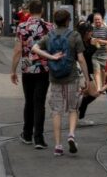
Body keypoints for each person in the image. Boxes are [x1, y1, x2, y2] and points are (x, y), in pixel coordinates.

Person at [32, 9, 90, 156]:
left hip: (55, 78)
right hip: (71, 77)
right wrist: (87, 78)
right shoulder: (75, 35)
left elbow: (34, 48)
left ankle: (58, 145)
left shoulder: (49, 35)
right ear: (67, 21)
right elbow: (81, 59)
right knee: (73, 109)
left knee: (56, 111)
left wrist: (50, 58)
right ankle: (71, 134)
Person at [10, 0, 52, 150]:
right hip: (44, 67)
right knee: (39, 102)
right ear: (42, 11)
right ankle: (39, 138)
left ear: (28, 10)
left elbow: (18, 51)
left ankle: (27, 134)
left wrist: (13, 71)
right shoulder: (49, 27)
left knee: (29, 101)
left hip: (27, 66)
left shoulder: (21, 26)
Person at [90, 12, 107, 92]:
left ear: (102, 20)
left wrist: (101, 41)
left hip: (104, 54)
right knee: (96, 71)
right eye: (95, 20)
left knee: (103, 71)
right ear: (93, 21)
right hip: (95, 54)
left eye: (98, 19)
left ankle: (103, 86)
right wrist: (92, 41)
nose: (97, 21)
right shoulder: (91, 29)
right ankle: (98, 88)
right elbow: (89, 39)